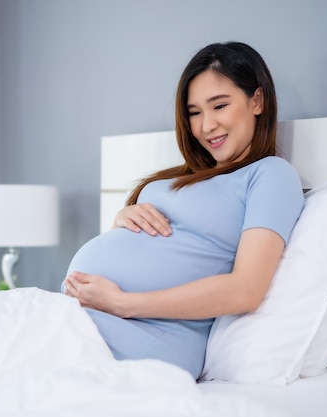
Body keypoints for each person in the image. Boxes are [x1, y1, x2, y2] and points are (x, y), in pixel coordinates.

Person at [62, 41, 304, 380]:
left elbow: (246, 289)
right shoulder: (182, 178)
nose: (206, 126)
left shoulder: (270, 175)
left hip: (144, 337)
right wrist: (122, 220)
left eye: (219, 105)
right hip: (90, 318)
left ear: (257, 101)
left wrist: (124, 303)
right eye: (194, 112)